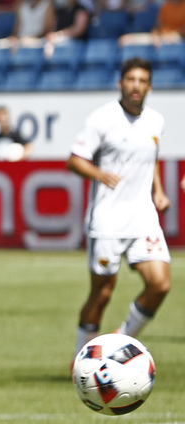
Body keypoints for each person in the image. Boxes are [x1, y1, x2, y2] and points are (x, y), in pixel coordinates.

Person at [68, 58, 171, 360]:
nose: (136, 86)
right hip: (108, 220)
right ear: (120, 84)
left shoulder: (155, 121)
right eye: (130, 80)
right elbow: (74, 160)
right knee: (101, 294)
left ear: (149, 86)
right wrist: (99, 174)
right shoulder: (103, 119)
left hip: (143, 218)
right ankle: (82, 361)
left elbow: (151, 158)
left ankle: (119, 342)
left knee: (160, 285)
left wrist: (159, 191)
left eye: (142, 80)